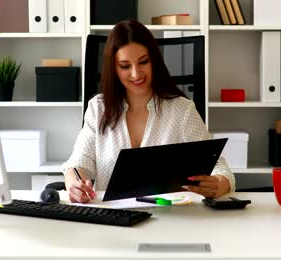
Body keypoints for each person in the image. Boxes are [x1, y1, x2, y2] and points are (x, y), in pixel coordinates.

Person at [61, 20, 235, 203]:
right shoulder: (98, 109)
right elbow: (77, 165)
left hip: (169, 219)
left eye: (143, 62)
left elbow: (221, 169)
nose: (136, 74)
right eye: (125, 66)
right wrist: (74, 185)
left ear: (154, 60)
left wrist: (218, 184)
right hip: (112, 219)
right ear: (114, 69)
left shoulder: (182, 110)